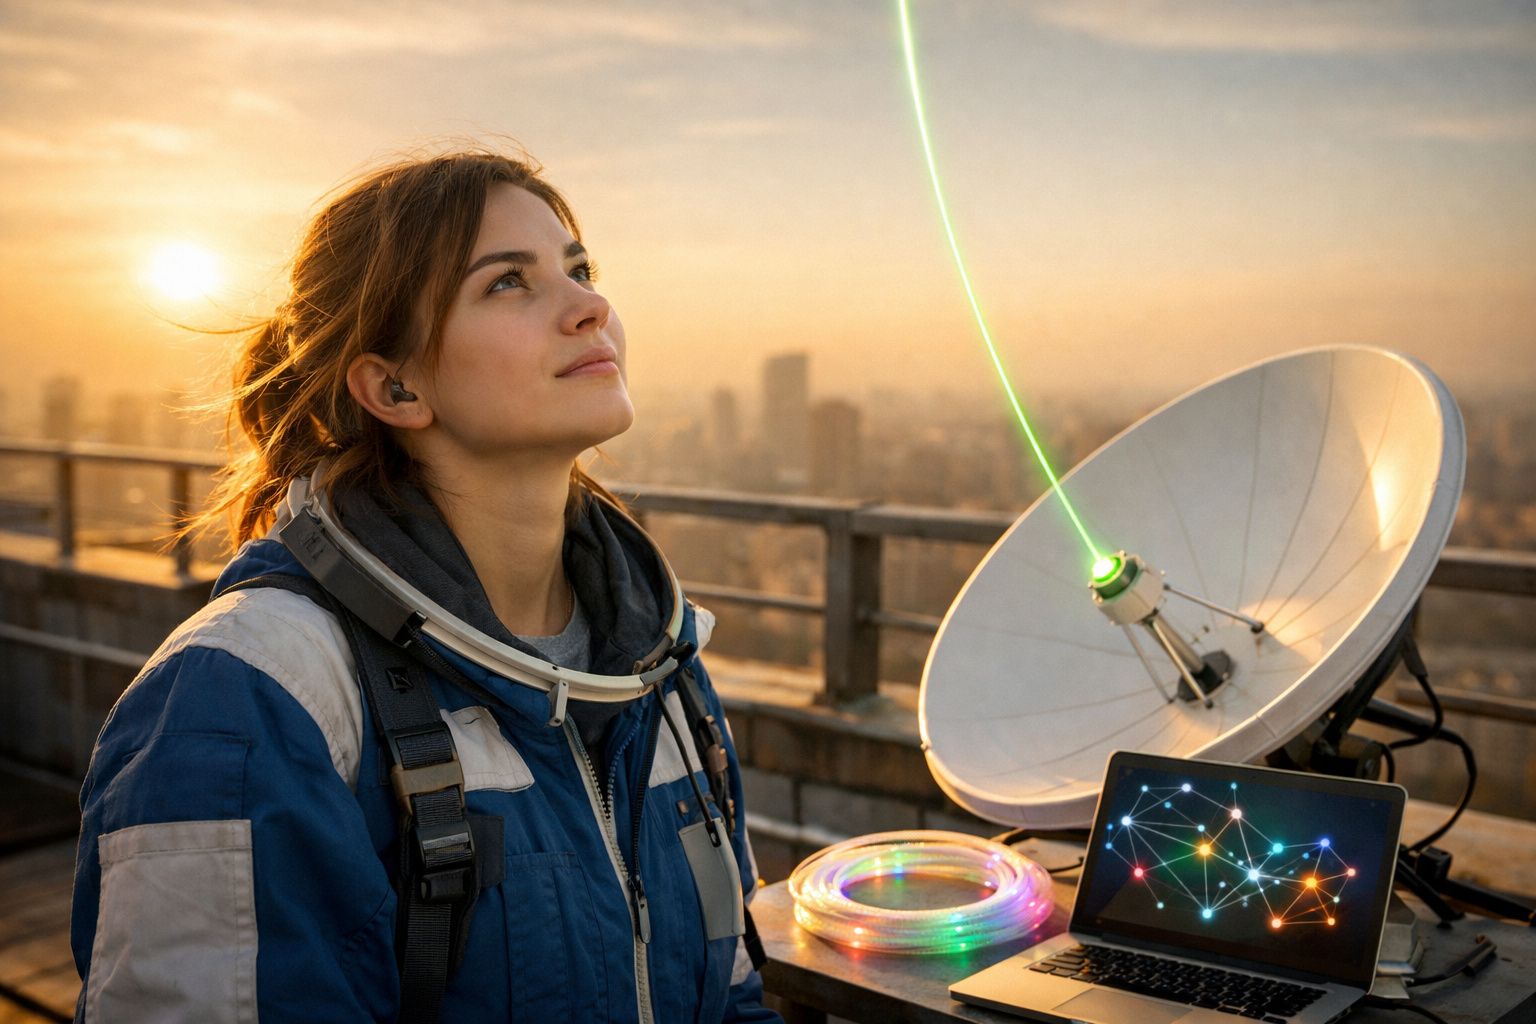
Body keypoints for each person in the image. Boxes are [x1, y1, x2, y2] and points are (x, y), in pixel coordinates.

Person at [69, 145, 782, 1023]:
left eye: (579, 268)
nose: (590, 306)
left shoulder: (658, 669)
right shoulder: (251, 698)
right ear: (395, 387)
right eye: (508, 283)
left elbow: (735, 993)